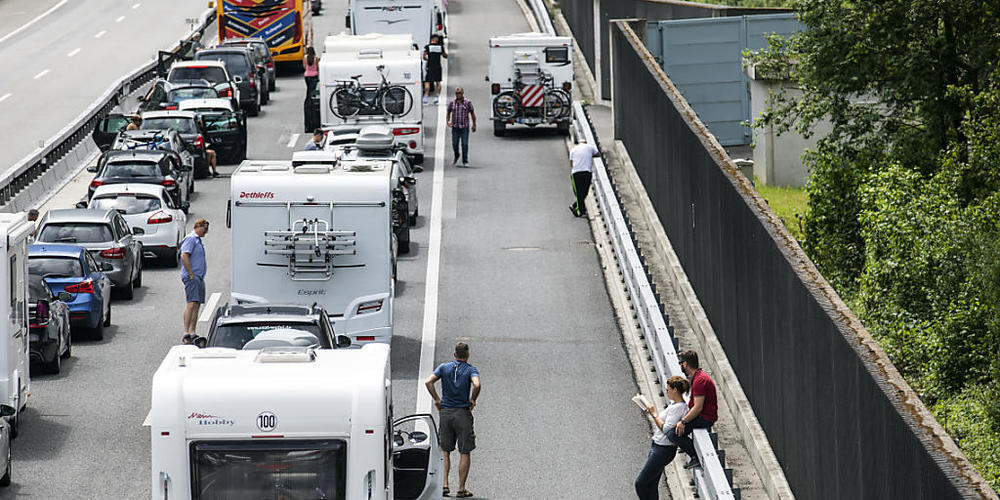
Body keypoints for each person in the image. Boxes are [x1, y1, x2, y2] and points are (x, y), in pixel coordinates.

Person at [424, 342, 481, 498]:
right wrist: (473, 399)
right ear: (467, 354)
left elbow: (428, 382)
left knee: (445, 450)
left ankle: (444, 484)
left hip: (446, 412)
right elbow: (477, 384)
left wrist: (437, 399)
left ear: (454, 354)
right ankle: (461, 488)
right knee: (465, 450)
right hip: (462, 413)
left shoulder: (444, 367)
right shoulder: (471, 370)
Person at [635, 376, 690, 500]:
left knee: (641, 484)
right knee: (652, 485)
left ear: (675, 390)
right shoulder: (674, 405)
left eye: (668, 389)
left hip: (663, 450)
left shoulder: (679, 408)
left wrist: (654, 414)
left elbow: (665, 429)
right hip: (658, 447)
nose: (667, 392)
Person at [668, 350, 718, 469]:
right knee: (675, 427)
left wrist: (683, 421)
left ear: (685, 364)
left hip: (705, 417)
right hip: (702, 415)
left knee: (673, 433)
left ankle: (695, 456)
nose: (680, 365)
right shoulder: (697, 377)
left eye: (681, 363)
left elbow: (698, 407)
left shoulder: (699, 381)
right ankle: (685, 445)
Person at [180, 219, 210, 344]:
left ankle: (193, 331)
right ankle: (186, 332)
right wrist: (191, 273)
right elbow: (184, 255)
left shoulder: (198, 240)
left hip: (199, 277)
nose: (206, 232)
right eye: (205, 228)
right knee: (191, 303)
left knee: (197, 304)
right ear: (198, 226)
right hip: (192, 277)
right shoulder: (191, 239)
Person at [568, 138, 600, 217]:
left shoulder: (573, 150)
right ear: (585, 142)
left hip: (576, 173)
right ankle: (581, 210)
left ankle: (575, 206)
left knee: (579, 192)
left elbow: (571, 163)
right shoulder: (590, 147)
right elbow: (598, 154)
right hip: (587, 172)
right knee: (584, 191)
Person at [446, 87, 476, 167]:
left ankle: (465, 161)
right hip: (455, 127)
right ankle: (456, 154)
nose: (458, 95)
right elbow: (448, 112)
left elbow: (472, 113)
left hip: (464, 127)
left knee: (464, 144)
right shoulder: (452, 103)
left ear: (462, 93)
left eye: (459, 93)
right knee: (455, 143)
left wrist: (474, 124)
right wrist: (448, 121)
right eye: (456, 93)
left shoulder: (467, 102)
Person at [422, 34, 447, 105]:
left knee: (427, 82)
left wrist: (429, 59)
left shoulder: (427, 47)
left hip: (430, 67)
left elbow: (424, 57)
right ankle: (437, 98)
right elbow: (445, 56)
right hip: (438, 67)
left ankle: (425, 98)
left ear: (431, 39)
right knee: (438, 82)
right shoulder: (440, 47)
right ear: (436, 39)